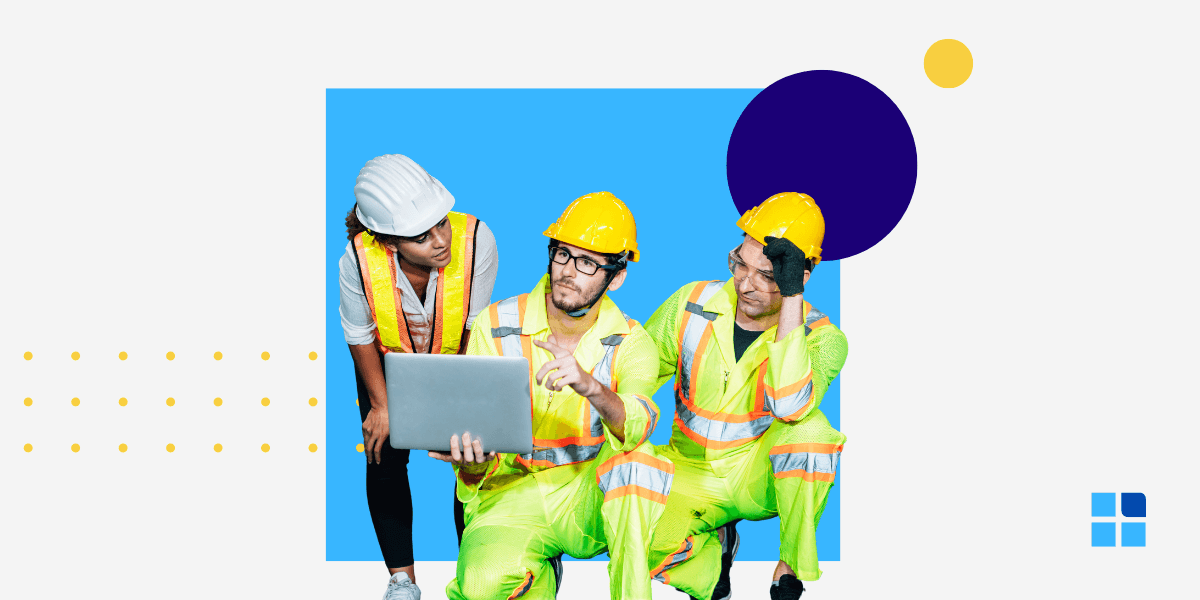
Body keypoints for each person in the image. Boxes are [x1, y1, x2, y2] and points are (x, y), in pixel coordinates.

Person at [431, 191, 673, 600]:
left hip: (587, 498)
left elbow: (637, 425)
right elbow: (477, 451)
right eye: (562, 254)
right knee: (481, 586)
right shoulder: (495, 324)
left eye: (588, 263)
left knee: (641, 462)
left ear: (616, 277)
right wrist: (471, 465)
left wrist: (589, 385)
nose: (568, 271)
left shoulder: (632, 343)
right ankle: (538, 576)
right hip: (510, 494)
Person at [642, 192, 848, 600]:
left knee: (815, 435)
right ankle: (713, 565)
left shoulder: (824, 338)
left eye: (768, 276)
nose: (746, 284)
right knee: (630, 536)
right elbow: (634, 375)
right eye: (740, 264)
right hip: (689, 469)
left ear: (800, 277)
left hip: (758, 477)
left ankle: (788, 568)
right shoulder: (692, 304)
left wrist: (791, 300)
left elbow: (790, 405)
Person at [338, 154, 499, 600]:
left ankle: (476, 572)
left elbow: (474, 328)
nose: (440, 240)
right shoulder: (357, 259)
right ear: (389, 241)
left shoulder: (477, 240)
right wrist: (383, 406)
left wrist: (458, 406)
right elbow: (359, 333)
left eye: (441, 224)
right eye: (421, 236)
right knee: (382, 455)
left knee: (472, 459)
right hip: (386, 363)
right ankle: (402, 581)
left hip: (460, 356)